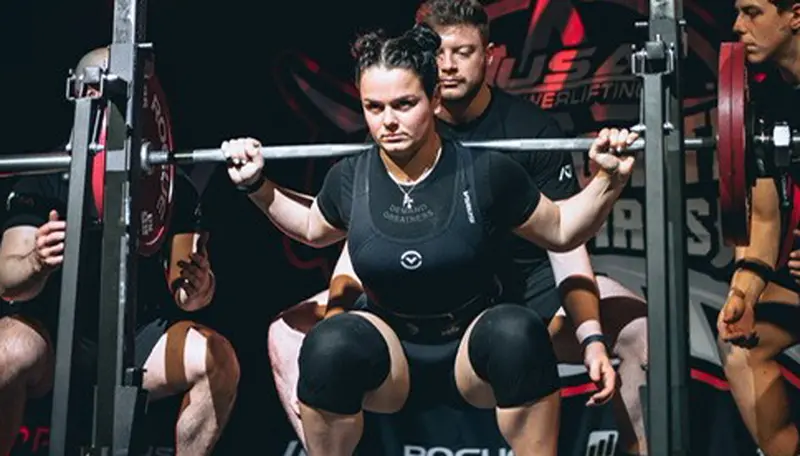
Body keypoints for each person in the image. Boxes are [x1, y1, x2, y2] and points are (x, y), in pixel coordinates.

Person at [224, 22, 636, 455]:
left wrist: (608, 180)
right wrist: (257, 185)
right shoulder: (352, 177)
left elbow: (563, 229)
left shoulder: (486, 172)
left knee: (518, 332)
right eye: (374, 107)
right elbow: (311, 228)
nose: (388, 122)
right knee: (329, 345)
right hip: (391, 352)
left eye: (404, 104)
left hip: (470, 350)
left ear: (434, 99)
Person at [0, 47, 240, 456]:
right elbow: (8, 280)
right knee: (5, 351)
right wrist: (38, 261)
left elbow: (187, 291)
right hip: (54, 335)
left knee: (218, 359)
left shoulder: (170, 186)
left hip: (137, 338)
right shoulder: (46, 178)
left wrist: (200, 287)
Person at [717, 1, 800, 455]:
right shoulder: (768, 102)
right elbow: (765, 217)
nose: (737, 26)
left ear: (795, 15)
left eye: (752, 12)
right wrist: (744, 291)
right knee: (742, 344)